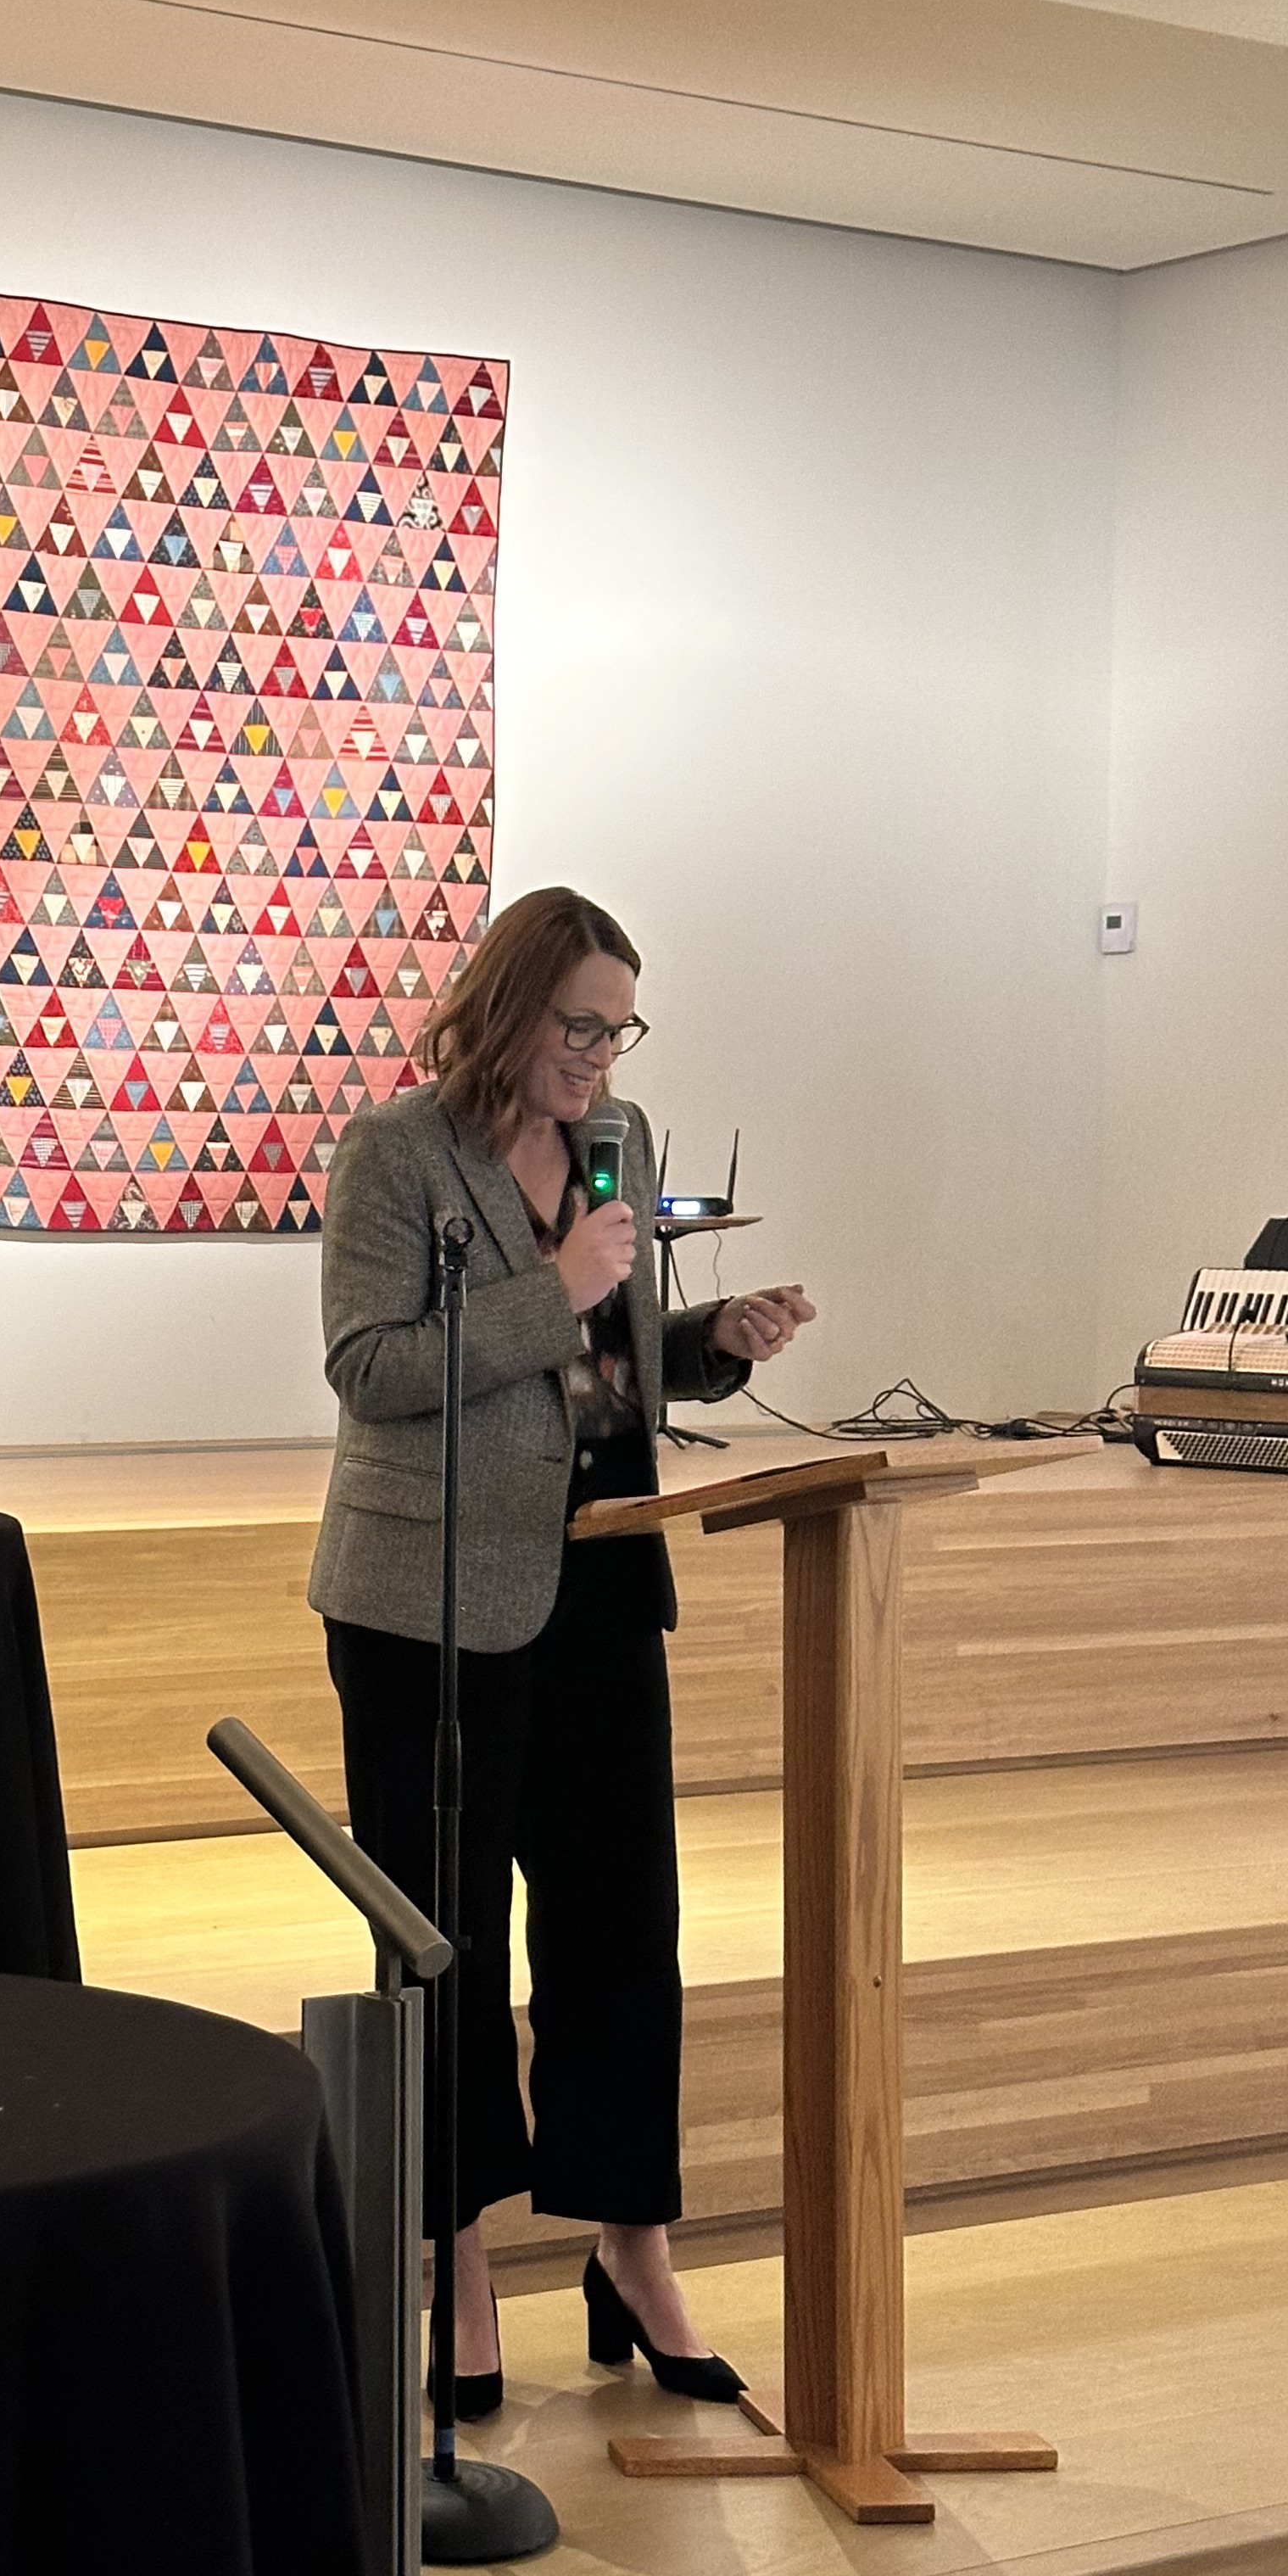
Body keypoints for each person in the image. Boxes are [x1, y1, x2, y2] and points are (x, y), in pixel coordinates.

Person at [308, 886, 815, 2415]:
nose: (600, 1055)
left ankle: (630, 2249)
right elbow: (368, 1367)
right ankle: (454, 2264)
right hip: (428, 1600)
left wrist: (709, 1341)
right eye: (579, 1025)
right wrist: (561, 1291)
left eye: (620, 1029)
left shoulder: (620, 1145)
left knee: (621, 1935)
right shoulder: (397, 1153)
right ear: (509, 1006)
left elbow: (604, 1365)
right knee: (446, 1938)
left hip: (601, 1576)